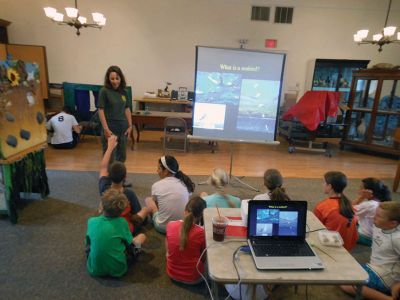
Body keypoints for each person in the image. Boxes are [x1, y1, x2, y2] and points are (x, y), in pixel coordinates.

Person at [341, 201, 400, 300]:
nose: (373, 217)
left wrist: (398, 284)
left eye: (379, 216)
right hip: (374, 266)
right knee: (339, 269)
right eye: (375, 214)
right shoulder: (379, 225)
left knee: (344, 283)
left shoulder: (397, 239)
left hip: (385, 276)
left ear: (393, 223)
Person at [86, 189, 146, 277]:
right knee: (141, 237)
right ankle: (136, 253)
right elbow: (130, 243)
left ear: (102, 206)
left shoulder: (91, 221)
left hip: (94, 269)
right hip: (119, 269)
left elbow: (88, 243)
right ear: (122, 211)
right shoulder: (122, 222)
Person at [99, 135, 149, 233]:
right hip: (125, 229)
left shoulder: (104, 189)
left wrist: (110, 148)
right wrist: (145, 212)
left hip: (108, 225)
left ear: (108, 175)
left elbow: (103, 168)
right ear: (125, 177)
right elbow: (136, 215)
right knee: (145, 210)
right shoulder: (129, 194)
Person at [145, 155, 195, 234]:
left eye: (159, 168)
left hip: (163, 227)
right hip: (183, 225)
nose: (157, 171)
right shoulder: (184, 183)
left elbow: (157, 204)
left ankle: (155, 220)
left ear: (166, 171)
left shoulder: (156, 185)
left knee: (148, 200)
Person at [165, 195, 207, 284]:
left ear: (185, 210)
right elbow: (203, 258)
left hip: (172, 274)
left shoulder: (170, 225)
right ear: (201, 215)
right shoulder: (202, 232)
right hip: (194, 278)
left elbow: (168, 249)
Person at [314, 171, 358, 251]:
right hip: (348, 248)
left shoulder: (322, 207)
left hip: (331, 247)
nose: (322, 184)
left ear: (330, 186)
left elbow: (315, 229)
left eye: (324, 182)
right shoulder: (350, 205)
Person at [98, 65, 132, 163]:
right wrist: (106, 129)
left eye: (117, 78)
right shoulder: (104, 91)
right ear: (108, 79)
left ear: (121, 78)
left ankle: (119, 176)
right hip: (110, 128)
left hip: (123, 129)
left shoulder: (124, 92)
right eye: (112, 79)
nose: (115, 81)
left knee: (122, 157)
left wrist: (130, 126)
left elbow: (127, 109)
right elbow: (101, 110)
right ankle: (107, 176)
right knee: (109, 157)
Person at [352, 177, 391, 246]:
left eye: (361, 188)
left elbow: (347, 210)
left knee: (342, 225)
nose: (359, 189)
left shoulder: (369, 205)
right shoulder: (380, 200)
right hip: (374, 234)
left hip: (366, 237)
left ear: (369, 191)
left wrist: (361, 197)